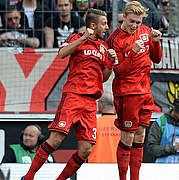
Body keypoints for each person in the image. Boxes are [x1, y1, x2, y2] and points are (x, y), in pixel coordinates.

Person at [22, 8, 117, 180]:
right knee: (56, 139)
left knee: (86, 149)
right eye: (103, 24)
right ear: (92, 25)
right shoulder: (76, 37)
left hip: (90, 103)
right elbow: (62, 54)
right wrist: (83, 38)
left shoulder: (104, 47)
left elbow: (103, 78)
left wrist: (110, 62)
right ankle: (28, 177)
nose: (107, 27)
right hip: (73, 96)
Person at [106, 1, 162, 179]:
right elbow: (119, 72)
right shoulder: (114, 39)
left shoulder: (145, 31)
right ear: (124, 16)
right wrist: (132, 53)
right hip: (127, 93)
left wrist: (155, 43)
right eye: (131, 21)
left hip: (145, 91)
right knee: (127, 137)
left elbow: (157, 59)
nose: (135, 26)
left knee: (140, 135)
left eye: (138, 22)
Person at [146, 97, 179, 163]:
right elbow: (151, 149)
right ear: (175, 111)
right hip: (163, 169)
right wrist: (173, 148)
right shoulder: (160, 123)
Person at [87, 92, 120, 163]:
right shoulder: (122, 125)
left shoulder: (94, 123)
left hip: (96, 165)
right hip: (117, 166)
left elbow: (86, 148)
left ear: (102, 104)